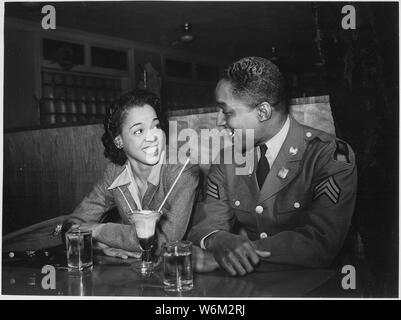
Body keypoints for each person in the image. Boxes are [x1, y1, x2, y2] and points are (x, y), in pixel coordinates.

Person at [188, 57, 357, 276]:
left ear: (263, 112)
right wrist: (218, 239)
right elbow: (205, 225)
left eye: (227, 112)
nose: (219, 121)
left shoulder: (329, 155)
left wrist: (231, 255)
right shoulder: (227, 159)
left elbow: (320, 243)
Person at [63, 89, 199, 259]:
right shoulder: (114, 172)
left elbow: (163, 243)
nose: (153, 137)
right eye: (139, 131)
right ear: (118, 140)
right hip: (140, 272)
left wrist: (98, 230)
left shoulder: (182, 168)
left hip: (185, 271)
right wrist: (99, 244)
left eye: (156, 126)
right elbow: (73, 224)